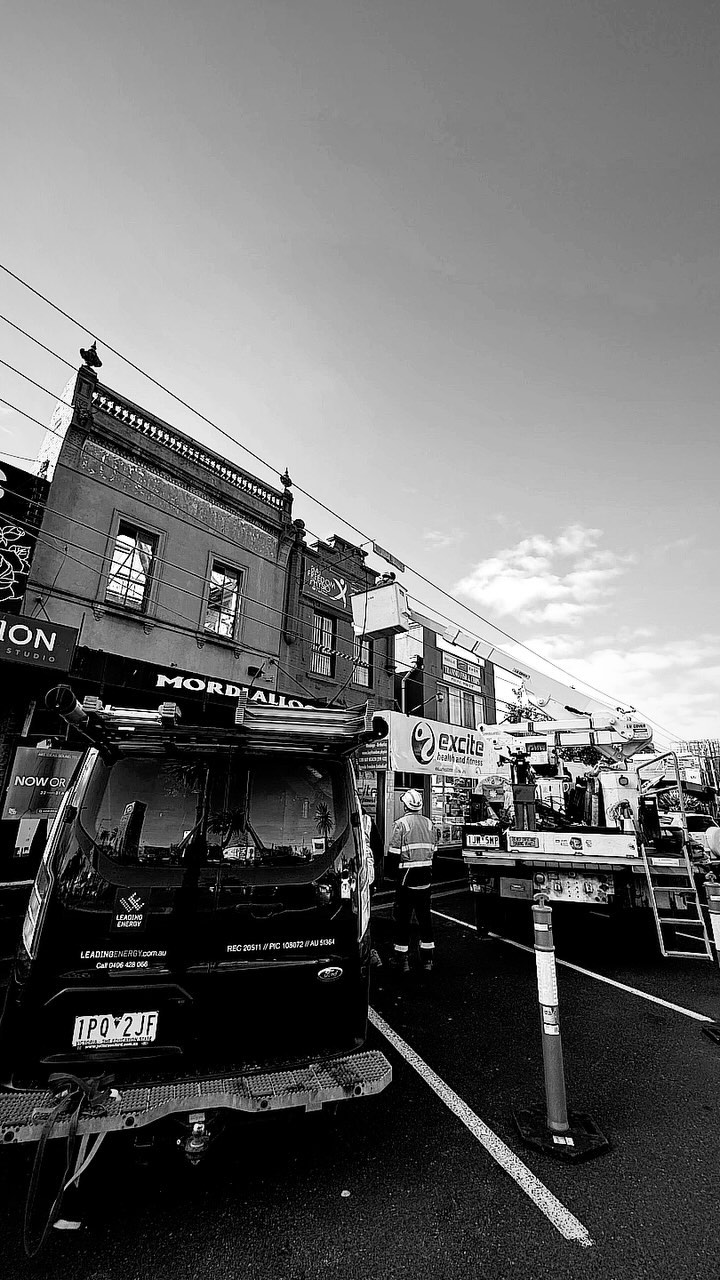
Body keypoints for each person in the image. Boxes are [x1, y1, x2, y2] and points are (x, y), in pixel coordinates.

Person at [388, 789, 438, 973]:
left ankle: (402, 961)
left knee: (403, 921)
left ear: (406, 805)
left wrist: (391, 877)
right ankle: (427, 961)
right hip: (426, 879)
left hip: (406, 880)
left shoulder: (401, 824)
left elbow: (393, 855)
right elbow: (434, 851)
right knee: (425, 920)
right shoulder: (429, 824)